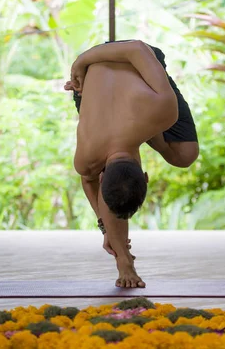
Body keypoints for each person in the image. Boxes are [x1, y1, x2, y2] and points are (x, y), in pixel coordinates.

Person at [64, 40, 199, 288]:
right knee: (120, 189)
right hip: (102, 78)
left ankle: (140, 134)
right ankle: (123, 261)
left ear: (145, 176)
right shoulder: (88, 158)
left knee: (185, 155)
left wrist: (81, 61)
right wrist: (105, 229)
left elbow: (135, 48)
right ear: (145, 177)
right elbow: (88, 181)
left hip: (118, 69)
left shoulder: (162, 111)